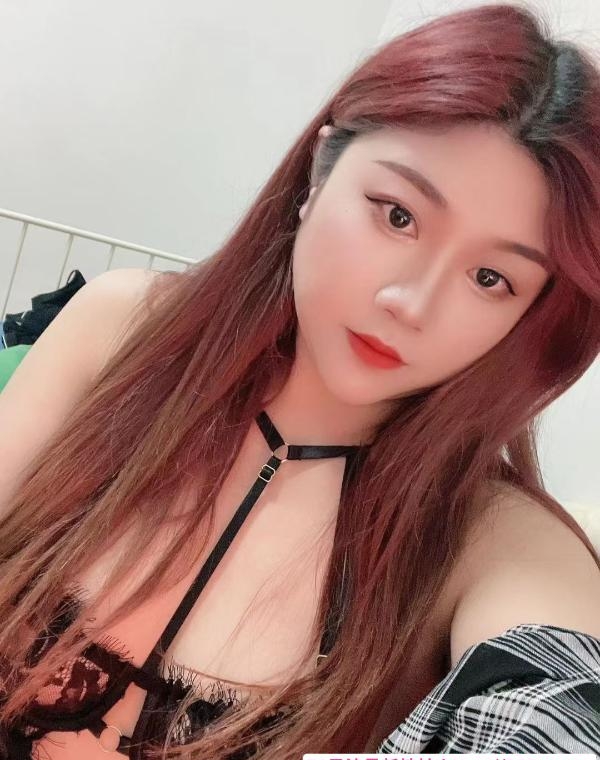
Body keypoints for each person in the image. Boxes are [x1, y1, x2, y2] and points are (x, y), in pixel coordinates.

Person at [1, 2, 600, 758]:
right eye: (397, 216)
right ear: (320, 172)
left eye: (490, 278)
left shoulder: (487, 539)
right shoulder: (121, 332)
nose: (410, 304)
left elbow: (557, 710)